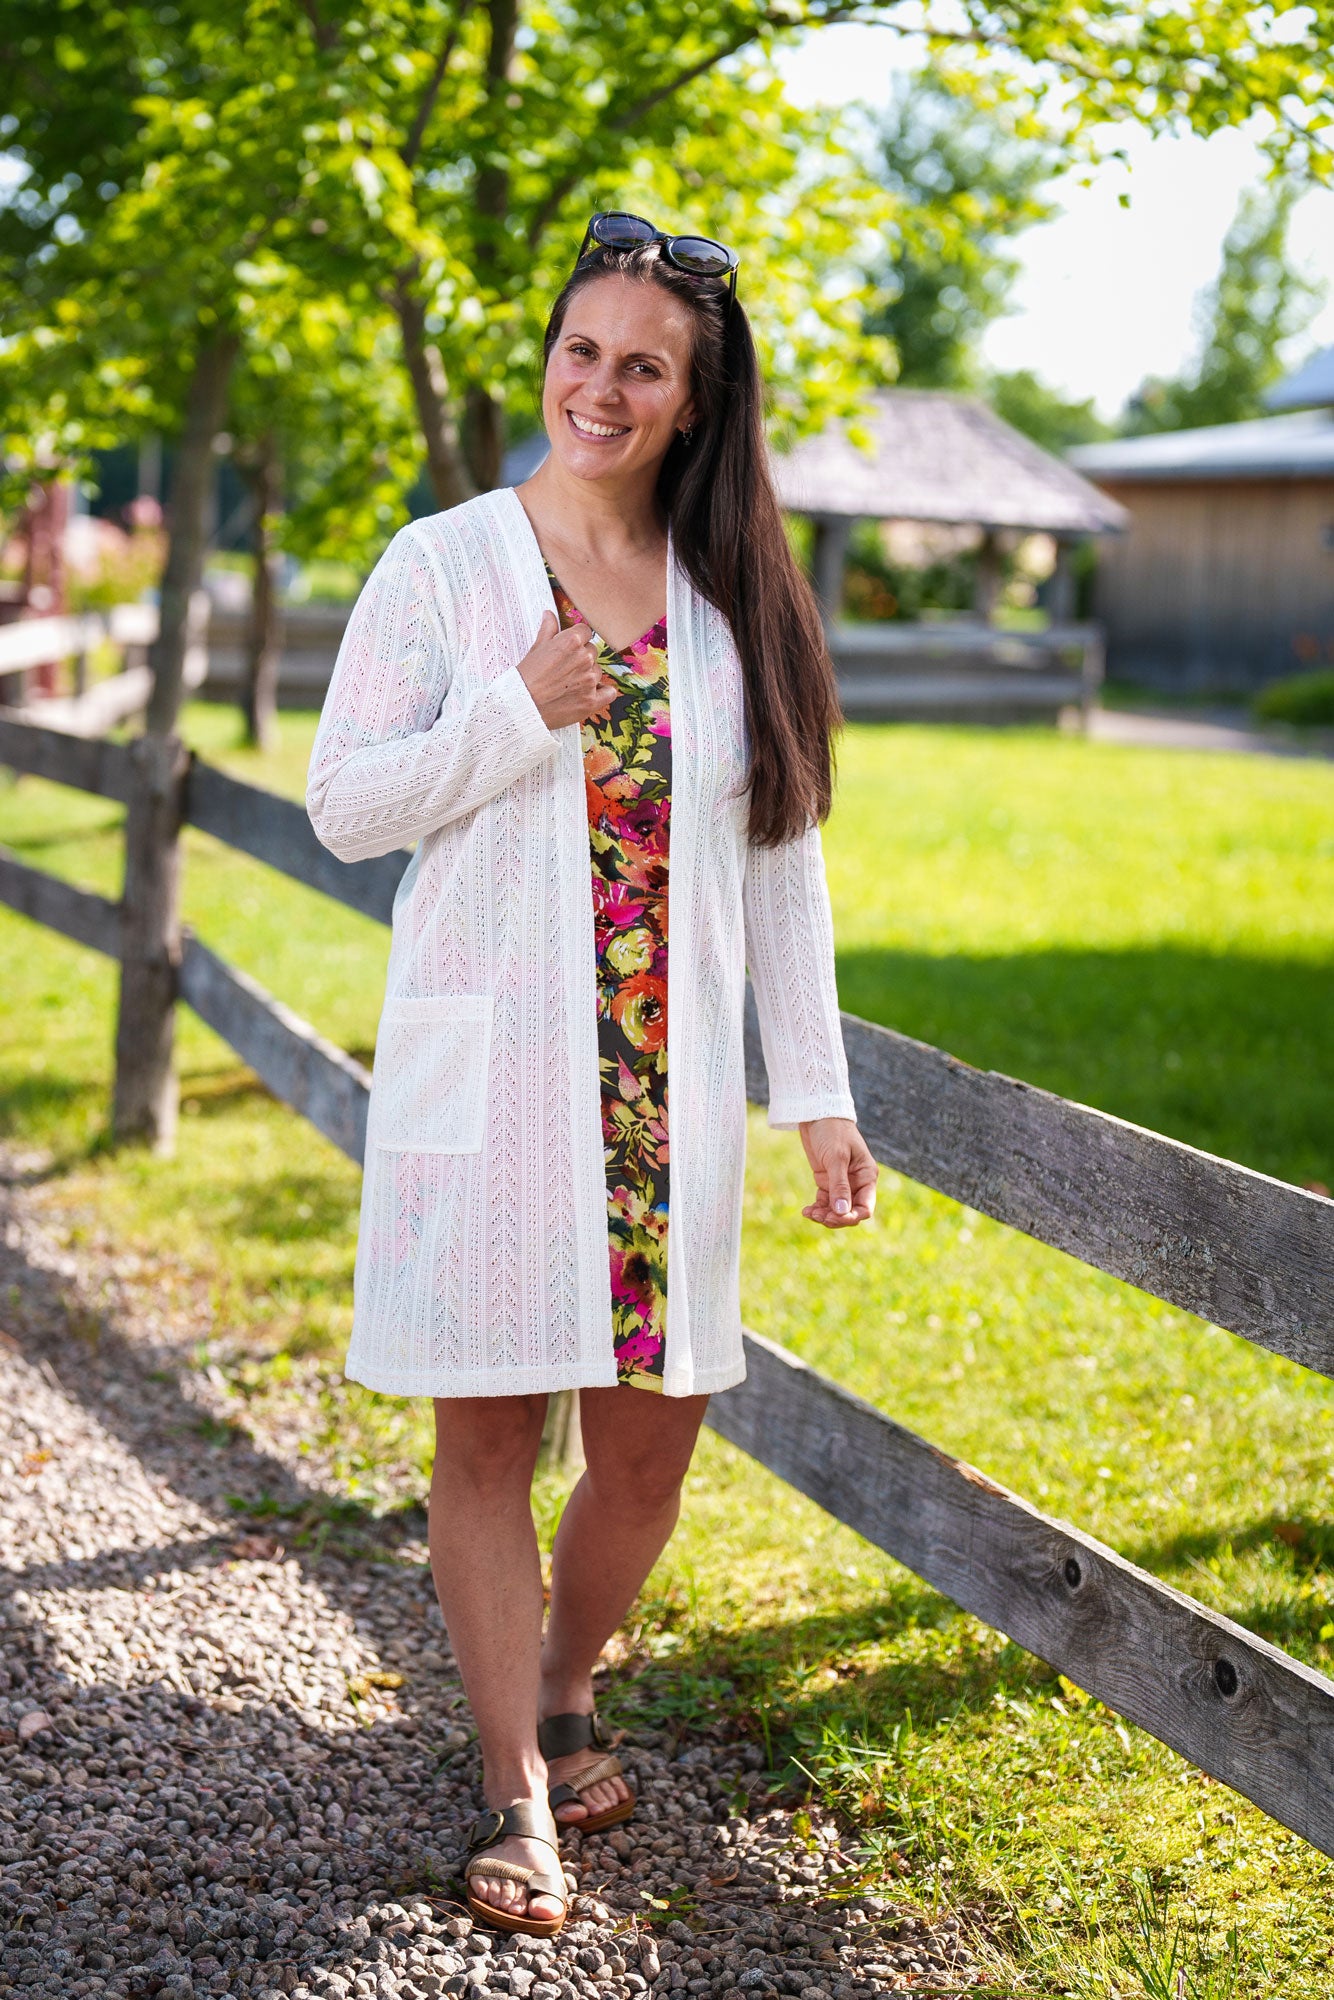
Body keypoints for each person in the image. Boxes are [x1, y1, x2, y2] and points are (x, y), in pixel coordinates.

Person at [307, 212, 879, 1939]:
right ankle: (514, 1789)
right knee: (488, 1436)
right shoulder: (444, 566)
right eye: (580, 351)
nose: (601, 388)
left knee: (644, 1458)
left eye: (644, 366)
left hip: (664, 1103)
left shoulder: (728, 598)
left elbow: (781, 858)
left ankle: (564, 1680)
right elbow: (344, 804)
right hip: (497, 1091)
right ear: (546, 360)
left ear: (694, 402)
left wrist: (818, 1096)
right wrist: (512, 710)